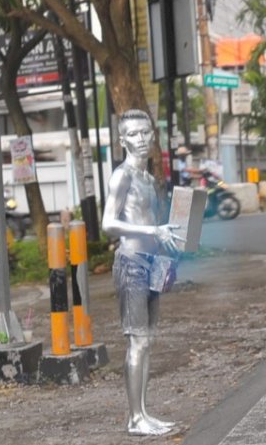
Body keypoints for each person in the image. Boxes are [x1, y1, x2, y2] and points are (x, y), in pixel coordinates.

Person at [102, 109, 184, 436]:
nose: (140, 139)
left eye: (145, 132)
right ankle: (135, 418)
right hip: (132, 265)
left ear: (153, 135)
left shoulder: (149, 180)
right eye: (133, 134)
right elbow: (109, 224)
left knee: (147, 341)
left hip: (151, 266)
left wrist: (168, 239)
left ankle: (144, 413)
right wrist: (153, 230)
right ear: (122, 140)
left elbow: (156, 225)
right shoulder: (121, 176)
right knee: (137, 341)